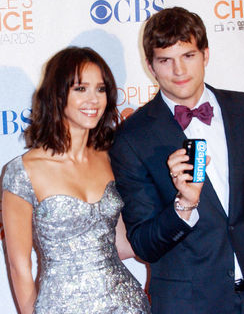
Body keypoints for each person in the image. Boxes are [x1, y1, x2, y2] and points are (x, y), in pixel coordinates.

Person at [109, 7, 244, 314]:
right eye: (166, 60)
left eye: (189, 56)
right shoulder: (132, 138)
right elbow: (143, 243)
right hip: (191, 303)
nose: (179, 71)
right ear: (151, 67)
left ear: (206, 54)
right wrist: (184, 204)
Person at [2, 46, 150, 314]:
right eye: (80, 89)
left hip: (126, 304)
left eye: (101, 89)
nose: (93, 99)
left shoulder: (113, 158)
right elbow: (19, 267)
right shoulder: (22, 172)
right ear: (58, 95)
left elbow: (124, 244)